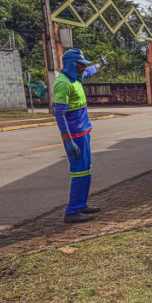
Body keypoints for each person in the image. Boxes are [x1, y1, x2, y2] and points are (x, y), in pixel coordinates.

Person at [54, 48, 108, 223]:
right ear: (71, 64)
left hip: (83, 132)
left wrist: (100, 64)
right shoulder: (64, 83)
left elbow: (90, 71)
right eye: (80, 65)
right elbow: (59, 114)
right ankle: (72, 211)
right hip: (75, 136)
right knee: (79, 172)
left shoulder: (75, 77)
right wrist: (68, 140)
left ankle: (81, 204)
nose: (83, 68)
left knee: (86, 171)